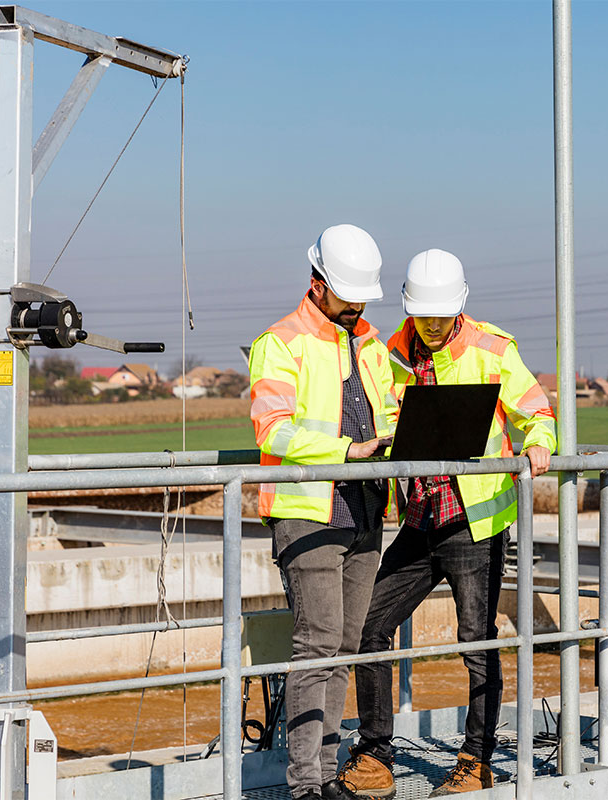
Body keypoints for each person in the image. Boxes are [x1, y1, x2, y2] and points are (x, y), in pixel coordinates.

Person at [337, 249, 556, 797]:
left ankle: (475, 762)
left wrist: (539, 444)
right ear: (410, 309)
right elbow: (387, 418)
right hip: (418, 519)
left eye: (440, 317)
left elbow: (537, 410)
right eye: (423, 316)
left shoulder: (492, 347)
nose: (432, 327)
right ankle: (375, 754)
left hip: (473, 522)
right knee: (371, 627)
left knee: (475, 642)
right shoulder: (390, 353)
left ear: (458, 307)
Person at [248, 223, 399, 800]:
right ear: (317, 283)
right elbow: (274, 430)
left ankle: (329, 774)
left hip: (364, 509)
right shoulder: (280, 342)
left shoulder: (371, 343)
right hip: (308, 512)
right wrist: (345, 450)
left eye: (363, 296)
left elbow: (386, 411)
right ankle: (304, 785)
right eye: (348, 294)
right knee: (318, 644)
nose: (357, 304)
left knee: (348, 645)